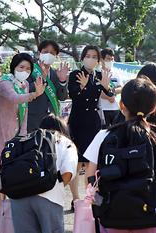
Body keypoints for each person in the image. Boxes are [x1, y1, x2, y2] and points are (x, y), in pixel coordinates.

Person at [84, 77, 156, 233]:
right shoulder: (153, 137)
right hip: (149, 215)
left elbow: (90, 179)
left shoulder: (104, 135)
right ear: (153, 108)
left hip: (112, 216)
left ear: (121, 105)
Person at [0, 53, 46, 212]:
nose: (24, 70)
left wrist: (23, 134)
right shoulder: (5, 82)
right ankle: (0, 207)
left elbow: (23, 111)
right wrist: (35, 94)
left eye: (28, 68)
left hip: (15, 131)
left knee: (11, 168)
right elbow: (14, 98)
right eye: (21, 67)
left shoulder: (24, 84)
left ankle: (8, 204)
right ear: (14, 67)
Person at [10, 115, 78, 233]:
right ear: (62, 129)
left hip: (19, 195)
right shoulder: (65, 142)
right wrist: (55, 185)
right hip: (49, 197)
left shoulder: (26, 139)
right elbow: (68, 172)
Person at [67, 45, 114, 208]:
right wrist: (86, 87)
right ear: (82, 58)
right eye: (88, 56)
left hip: (95, 123)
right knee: (77, 162)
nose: (91, 59)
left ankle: (90, 196)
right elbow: (75, 96)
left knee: (92, 163)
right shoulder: (75, 75)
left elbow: (111, 96)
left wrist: (107, 87)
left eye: (95, 57)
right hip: (78, 122)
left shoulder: (100, 75)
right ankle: (75, 199)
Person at [27, 40, 69, 132]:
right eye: (45, 52)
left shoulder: (55, 73)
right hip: (33, 119)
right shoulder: (30, 70)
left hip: (52, 120)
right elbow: (25, 90)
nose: (48, 55)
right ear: (39, 53)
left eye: (52, 53)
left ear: (55, 56)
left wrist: (62, 81)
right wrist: (42, 78)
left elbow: (62, 97)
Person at [99, 48, 123, 128]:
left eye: (112, 59)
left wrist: (112, 92)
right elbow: (97, 91)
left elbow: (121, 88)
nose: (110, 61)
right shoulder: (97, 73)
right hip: (103, 109)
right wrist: (108, 97)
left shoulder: (116, 72)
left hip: (116, 108)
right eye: (108, 59)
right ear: (102, 60)